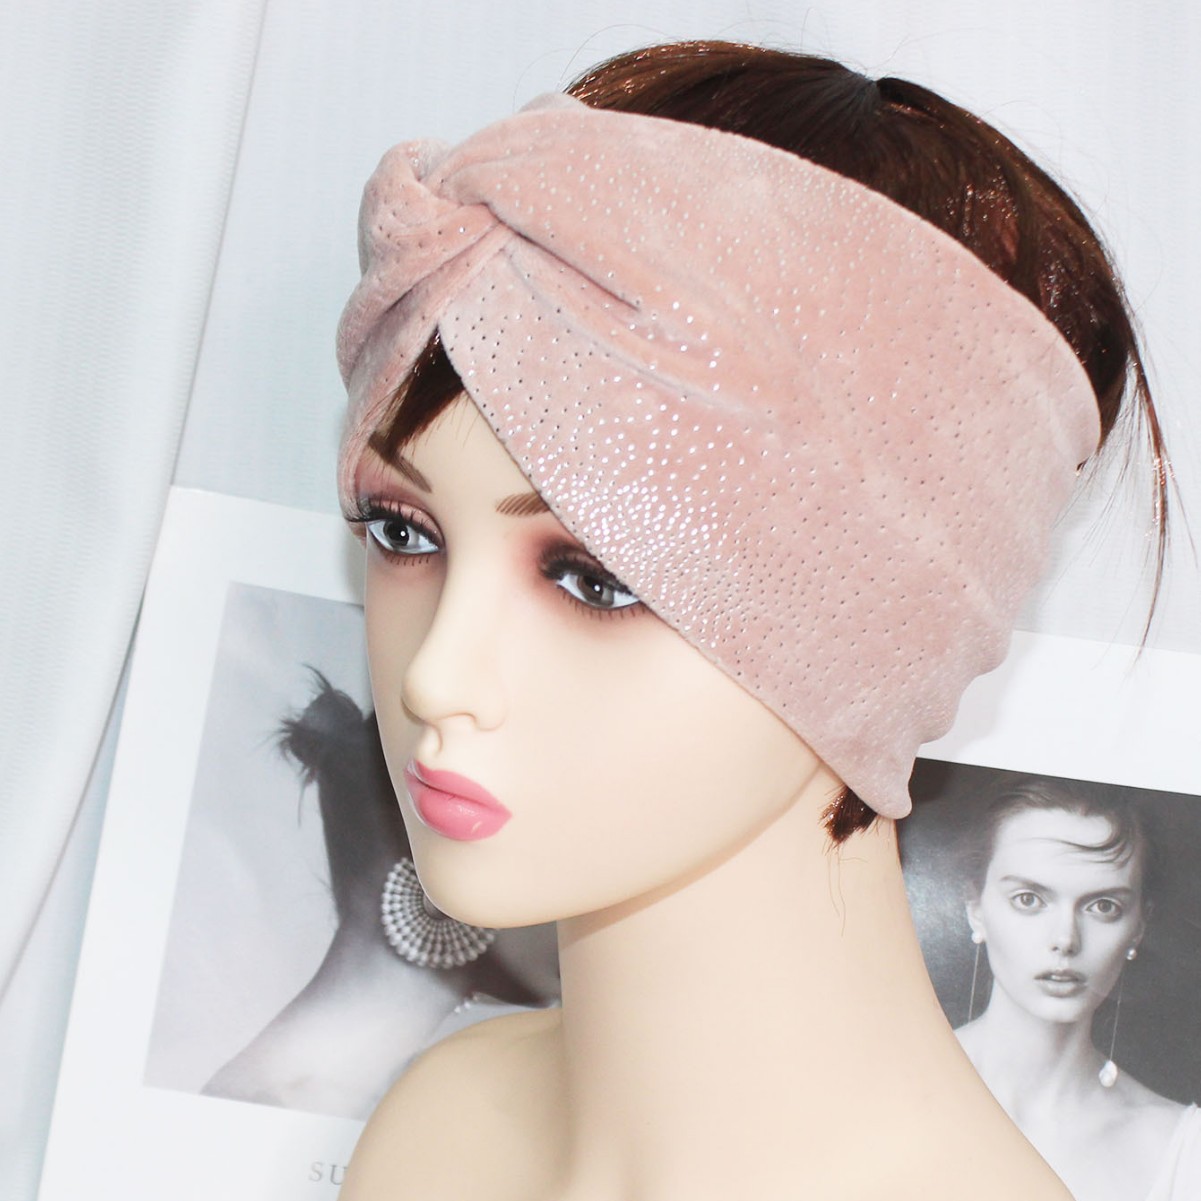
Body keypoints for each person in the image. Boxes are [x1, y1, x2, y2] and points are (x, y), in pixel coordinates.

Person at [331, 40, 1169, 1201]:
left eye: (595, 579)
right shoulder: (440, 1129)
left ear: (887, 624)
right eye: (403, 530)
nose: (437, 676)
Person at [202, 673, 558, 1120]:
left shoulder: (366, 1100)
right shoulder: (266, 1107)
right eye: (562, 845)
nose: (587, 901)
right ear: (434, 885)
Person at [957, 779, 1201, 1201]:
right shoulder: (876, 1089)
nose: (1065, 940)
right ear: (976, 908)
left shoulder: (1181, 1152)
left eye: (1103, 907)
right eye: (1029, 899)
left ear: (1138, 928)